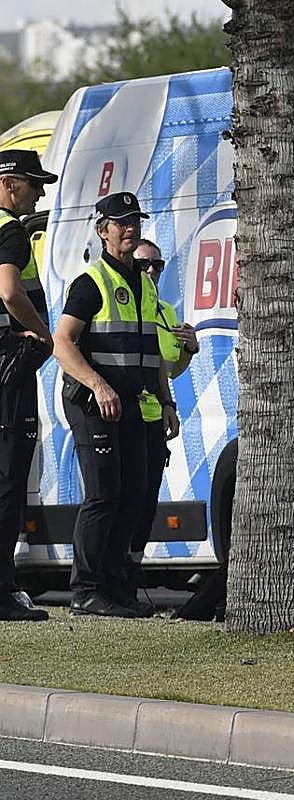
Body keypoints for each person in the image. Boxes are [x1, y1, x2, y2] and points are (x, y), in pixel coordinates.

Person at [53, 192, 179, 618]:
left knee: (132, 495)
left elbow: (153, 353)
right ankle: (85, 590)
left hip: (132, 403)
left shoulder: (144, 281)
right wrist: (98, 385)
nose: (130, 228)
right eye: (120, 222)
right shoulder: (91, 282)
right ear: (102, 230)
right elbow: (62, 342)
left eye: (135, 221)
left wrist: (167, 402)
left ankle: (116, 588)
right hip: (92, 403)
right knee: (104, 495)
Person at [0, 150, 56, 621]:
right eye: (34, 184)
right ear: (9, 184)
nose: (40, 193)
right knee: (8, 478)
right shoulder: (9, 230)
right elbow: (10, 291)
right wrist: (42, 333)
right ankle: (2, 591)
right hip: (8, 368)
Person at [127, 238, 198, 592]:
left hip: (155, 414)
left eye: (158, 265)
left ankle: (132, 571)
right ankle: (114, 576)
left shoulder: (167, 312)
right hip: (124, 413)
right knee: (121, 498)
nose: (152, 271)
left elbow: (169, 370)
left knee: (146, 500)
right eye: (144, 265)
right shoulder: (127, 305)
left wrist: (189, 349)